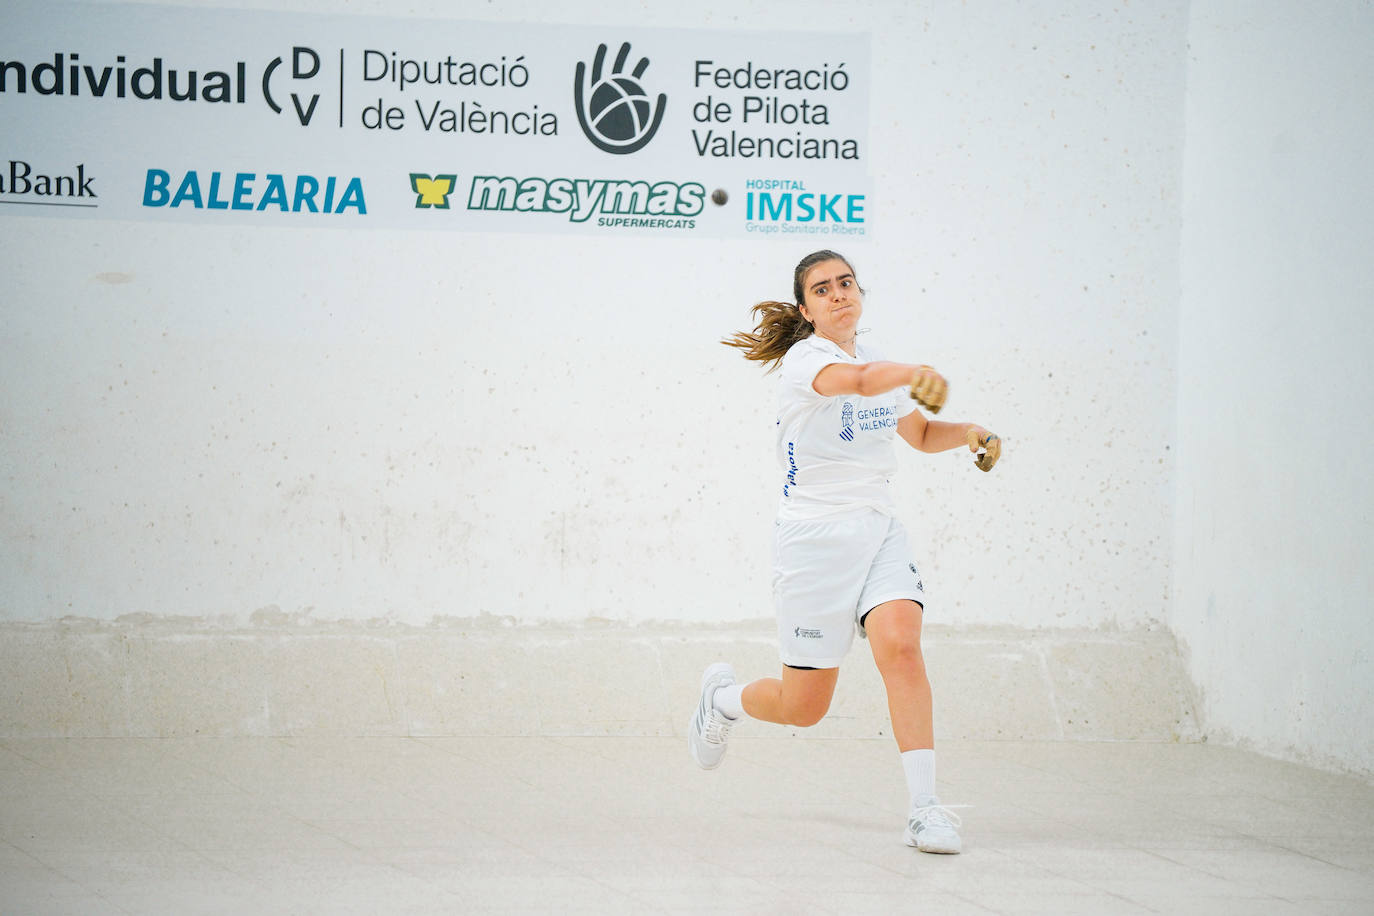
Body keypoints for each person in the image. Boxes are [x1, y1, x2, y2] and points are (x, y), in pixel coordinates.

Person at [689, 249, 1001, 854]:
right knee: (803, 708)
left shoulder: (882, 361)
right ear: (806, 310)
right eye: (823, 289)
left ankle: (926, 810)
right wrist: (912, 371)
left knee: (901, 647)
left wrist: (969, 434)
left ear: (860, 293)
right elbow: (856, 384)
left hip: (878, 529)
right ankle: (723, 699)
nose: (839, 295)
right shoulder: (806, 363)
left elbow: (918, 433)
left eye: (847, 283)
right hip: (812, 544)